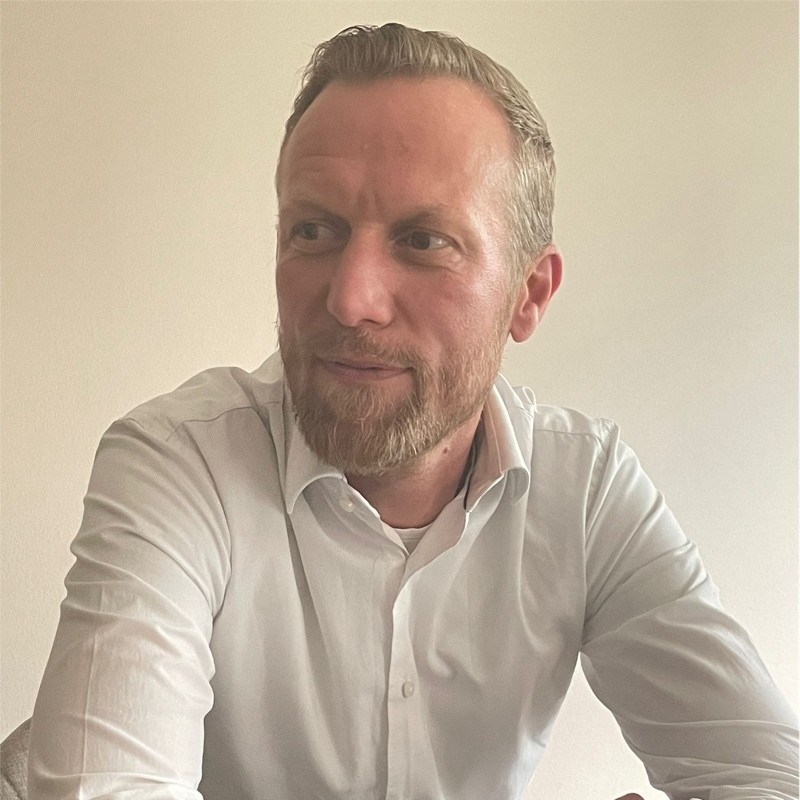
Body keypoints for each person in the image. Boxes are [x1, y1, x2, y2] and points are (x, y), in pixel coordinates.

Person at [28, 23, 797, 800]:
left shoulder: (585, 489)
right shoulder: (179, 464)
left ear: (528, 295)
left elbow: (769, 775)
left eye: (424, 240)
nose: (350, 299)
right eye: (313, 231)